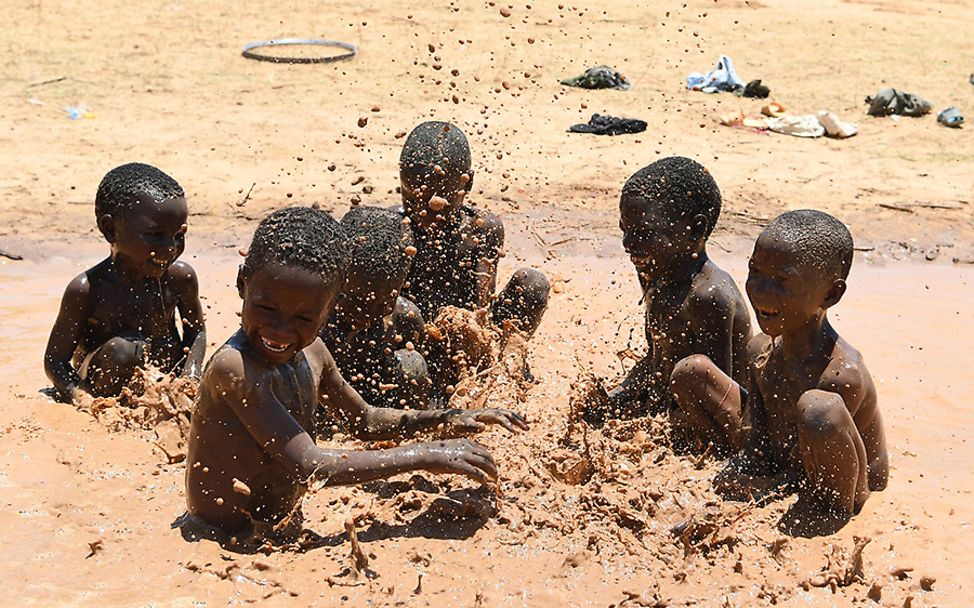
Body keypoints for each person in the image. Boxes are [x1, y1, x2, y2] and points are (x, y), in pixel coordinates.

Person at [185, 207, 528, 534]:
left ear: (331, 307)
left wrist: (443, 419)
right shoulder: (235, 368)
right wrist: (425, 455)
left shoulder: (314, 352)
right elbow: (311, 465)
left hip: (275, 530)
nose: (280, 330)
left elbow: (365, 420)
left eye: (303, 319)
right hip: (222, 536)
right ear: (243, 284)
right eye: (266, 308)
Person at [681, 209, 888, 519]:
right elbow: (758, 433)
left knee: (819, 409)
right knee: (692, 372)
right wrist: (742, 469)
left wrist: (765, 491)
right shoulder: (760, 349)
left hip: (848, 481)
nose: (761, 290)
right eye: (756, 271)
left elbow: (817, 450)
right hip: (787, 456)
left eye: (782, 280)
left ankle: (824, 515)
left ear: (831, 294)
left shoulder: (843, 374)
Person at [586, 157, 751, 446]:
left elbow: (716, 392)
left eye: (644, 233)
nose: (628, 244)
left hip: (720, 416)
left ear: (696, 231)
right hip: (677, 399)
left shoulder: (710, 296)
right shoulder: (655, 271)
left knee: (690, 374)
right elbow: (657, 358)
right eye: (625, 230)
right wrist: (617, 397)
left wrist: (658, 434)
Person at [397, 121, 550, 393]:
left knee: (533, 283)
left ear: (468, 184)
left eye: (442, 200)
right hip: (411, 345)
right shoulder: (394, 231)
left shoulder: (483, 228)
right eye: (411, 197)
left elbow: (481, 307)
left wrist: (474, 361)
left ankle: (509, 373)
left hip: (467, 341)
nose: (426, 210)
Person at [44, 162, 205, 401]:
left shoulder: (181, 279)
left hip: (162, 378)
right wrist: (82, 397)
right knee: (126, 350)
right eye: (155, 235)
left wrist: (190, 379)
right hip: (101, 382)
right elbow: (55, 361)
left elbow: (197, 333)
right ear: (110, 230)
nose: (171, 248)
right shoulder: (88, 290)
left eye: (179, 235)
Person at [321, 206, 431, 409]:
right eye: (355, 300)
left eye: (383, 303)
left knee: (413, 364)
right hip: (323, 405)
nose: (367, 315)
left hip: (379, 407)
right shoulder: (313, 317)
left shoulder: (405, 318)